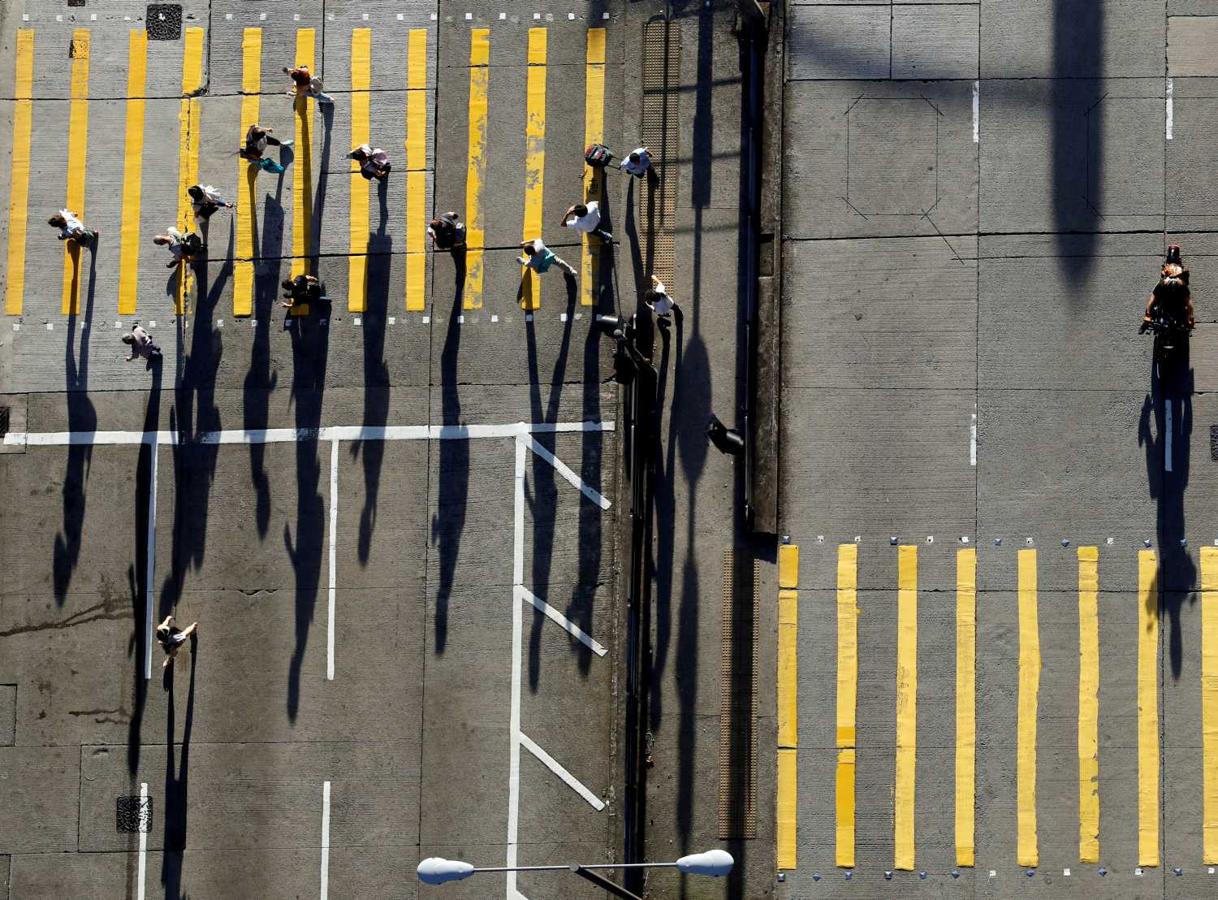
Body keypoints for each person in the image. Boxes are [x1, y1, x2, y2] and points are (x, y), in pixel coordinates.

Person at [1142, 244, 1194, 331]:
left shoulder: (1166, 265)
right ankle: (1190, 317)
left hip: (1165, 284)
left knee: (1153, 298)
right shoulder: (1180, 267)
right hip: (1178, 286)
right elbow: (1188, 299)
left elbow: (1163, 274)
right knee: (1187, 300)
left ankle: (1147, 317)